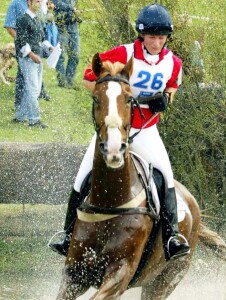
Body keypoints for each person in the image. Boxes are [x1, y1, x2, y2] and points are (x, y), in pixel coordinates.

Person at [49, 3, 190, 260]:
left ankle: (171, 238)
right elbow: (88, 78)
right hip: (114, 131)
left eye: (161, 37)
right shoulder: (122, 53)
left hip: (145, 130)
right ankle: (67, 235)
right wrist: (111, 100)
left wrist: (167, 99)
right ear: (141, 35)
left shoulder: (173, 62)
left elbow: (173, 85)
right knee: (82, 176)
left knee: (166, 176)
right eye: (152, 37)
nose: (157, 42)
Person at [4, 0, 51, 108]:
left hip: (36, 47)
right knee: (22, 76)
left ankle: (33, 102)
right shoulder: (15, 3)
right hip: (23, 48)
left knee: (34, 77)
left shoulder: (36, 5)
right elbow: (9, 26)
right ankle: (20, 106)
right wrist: (21, 41)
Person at [14, 0, 53, 128]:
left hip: (38, 58)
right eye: (37, 1)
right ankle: (34, 119)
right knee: (33, 89)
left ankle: (20, 116)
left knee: (32, 90)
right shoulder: (23, 19)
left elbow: (41, 39)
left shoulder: (37, 19)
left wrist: (50, 48)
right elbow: (21, 41)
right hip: (28, 59)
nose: (40, 3)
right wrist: (31, 54)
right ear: (29, 2)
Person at [51, 0, 81, 88]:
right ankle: (62, 80)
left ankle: (69, 80)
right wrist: (71, 8)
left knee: (75, 55)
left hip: (73, 25)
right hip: (61, 25)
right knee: (61, 54)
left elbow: (75, 5)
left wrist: (78, 13)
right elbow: (55, 2)